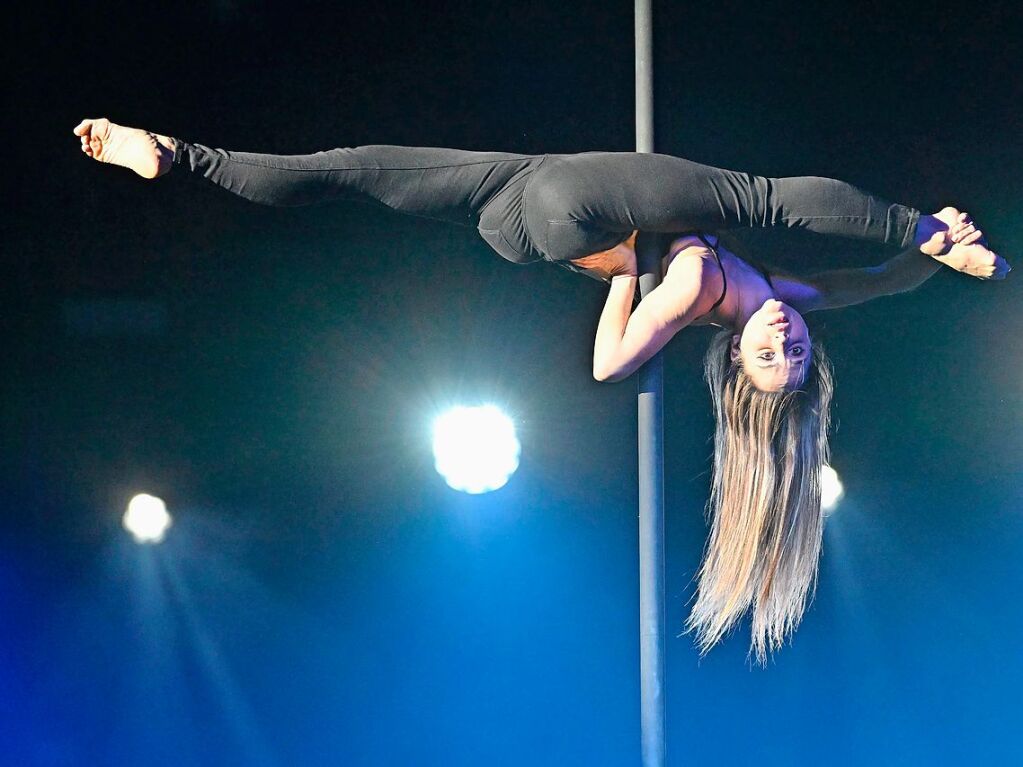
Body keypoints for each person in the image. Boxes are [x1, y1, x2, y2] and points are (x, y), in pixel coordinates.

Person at [73, 118, 1008, 664]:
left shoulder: (700, 293)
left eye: (774, 358)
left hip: (571, 208)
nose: (787, 340)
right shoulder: (778, 297)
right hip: (518, 212)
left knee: (756, 196)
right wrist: (929, 257)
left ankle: (912, 221)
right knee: (345, 172)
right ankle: (173, 153)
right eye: (799, 352)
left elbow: (611, 363)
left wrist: (918, 225)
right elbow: (866, 285)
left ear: (737, 369)